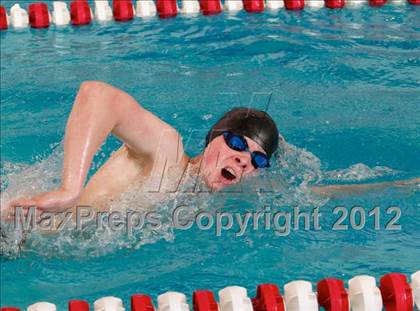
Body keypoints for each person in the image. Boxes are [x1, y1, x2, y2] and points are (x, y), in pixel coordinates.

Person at [2, 81, 419, 220]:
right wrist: (68, 190)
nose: (242, 159)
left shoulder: (224, 201)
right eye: (237, 144)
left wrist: (407, 185)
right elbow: (97, 95)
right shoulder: (165, 153)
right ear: (212, 140)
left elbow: (317, 195)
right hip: (18, 231)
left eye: (256, 160)